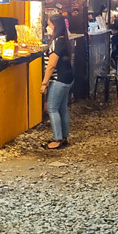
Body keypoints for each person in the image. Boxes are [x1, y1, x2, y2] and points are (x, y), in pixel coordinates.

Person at [41, 15, 75, 150]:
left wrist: (44, 83)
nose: (48, 28)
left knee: (52, 109)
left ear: (55, 26)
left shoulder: (56, 43)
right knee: (62, 109)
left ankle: (57, 139)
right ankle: (64, 137)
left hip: (59, 79)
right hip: (68, 78)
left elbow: (51, 65)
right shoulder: (64, 40)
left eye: (49, 25)